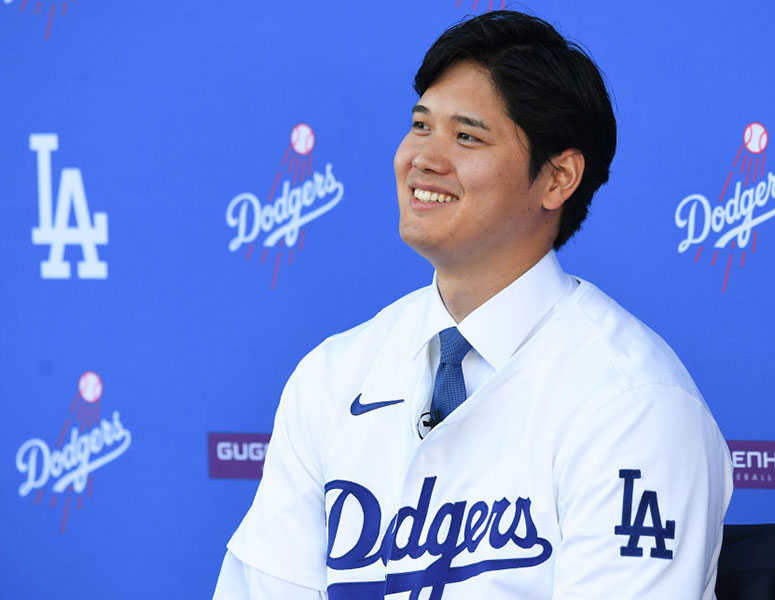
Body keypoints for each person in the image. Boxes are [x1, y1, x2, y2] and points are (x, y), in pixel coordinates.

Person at [214, 10, 732, 600]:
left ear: (558, 177)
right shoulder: (332, 374)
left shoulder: (635, 402)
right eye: (419, 126)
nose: (423, 159)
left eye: (466, 137)